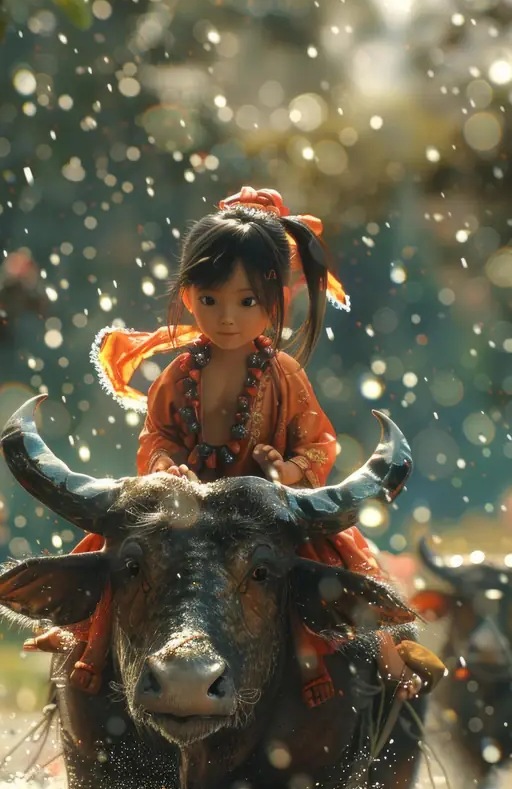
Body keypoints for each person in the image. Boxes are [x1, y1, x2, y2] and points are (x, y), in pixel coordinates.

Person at [27, 188, 430, 705]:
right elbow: (158, 435)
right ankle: (87, 648)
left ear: (275, 303)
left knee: (345, 566)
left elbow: (318, 442)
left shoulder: (283, 375)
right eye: (211, 300)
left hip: (259, 511)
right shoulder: (178, 373)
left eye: (247, 302)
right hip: (184, 509)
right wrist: (167, 466)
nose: (228, 317)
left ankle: (388, 666)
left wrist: (289, 473)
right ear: (189, 296)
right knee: (115, 557)